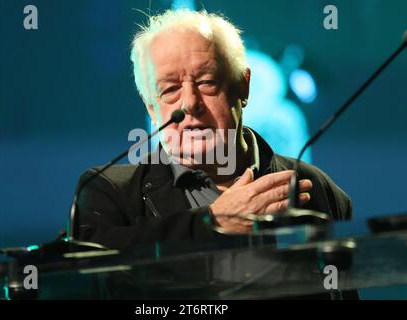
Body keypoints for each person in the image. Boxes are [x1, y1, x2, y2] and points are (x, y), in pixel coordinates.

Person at [73, 9, 352, 250]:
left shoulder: (315, 187)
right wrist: (210, 224)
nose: (191, 103)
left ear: (243, 87)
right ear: (151, 109)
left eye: (207, 82)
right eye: (170, 90)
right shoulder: (110, 194)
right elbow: (81, 268)